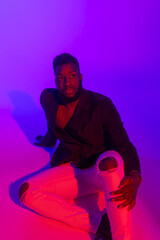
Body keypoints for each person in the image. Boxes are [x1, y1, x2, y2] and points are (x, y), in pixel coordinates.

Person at [19, 53, 142, 240]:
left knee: (110, 160)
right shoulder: (48, 99)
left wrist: (134, 177)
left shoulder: (101, 104)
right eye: (61, 78)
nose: (67, 82)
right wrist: (47, 140)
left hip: (102, 168)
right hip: (73, 169)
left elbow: (124, 145)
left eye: (72, 76)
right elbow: (51, 126)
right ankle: (99, 223)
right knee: (26, 191)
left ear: (81, 76)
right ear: (55, 80)